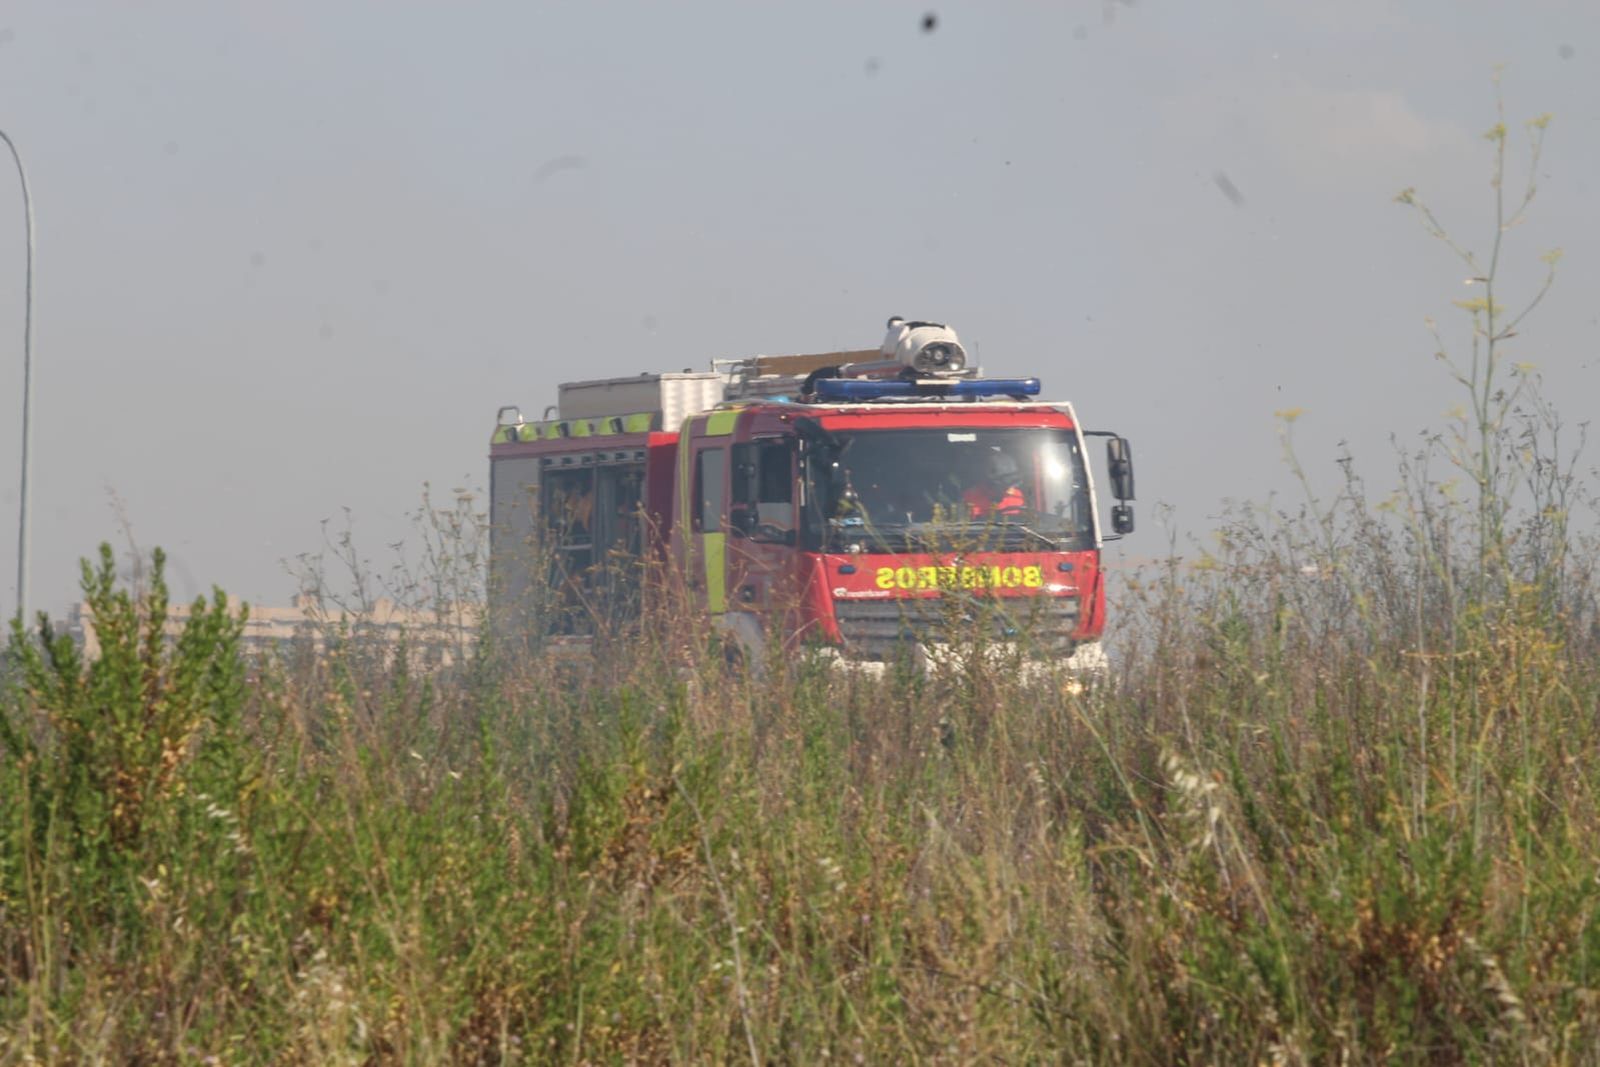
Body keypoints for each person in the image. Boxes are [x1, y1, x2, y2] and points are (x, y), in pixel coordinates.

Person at [962, 451, 1027, 519]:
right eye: (1005, 484)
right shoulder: (971, 497)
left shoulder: (1017, 495)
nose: (1010, 489)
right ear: (991, 482)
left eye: (1012, 483)